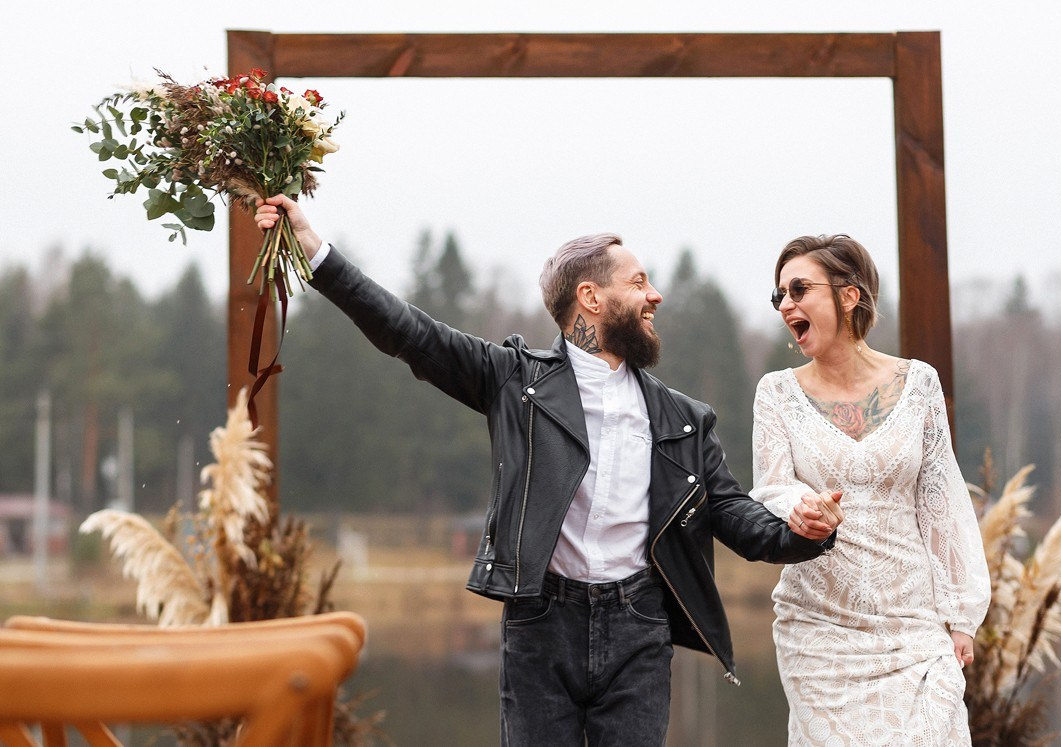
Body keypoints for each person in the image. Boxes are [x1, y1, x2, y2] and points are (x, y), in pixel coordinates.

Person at [255, 195, 843, 746]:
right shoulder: (513, 380)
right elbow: (407, 332)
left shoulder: (683, 418)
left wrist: (801, 532)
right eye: (638, 282)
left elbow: (733, 513)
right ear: (591, 298)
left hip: (640, 626)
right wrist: (314, 251)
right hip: (540, 623)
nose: (655, 296)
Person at [751, 234, 991, 745]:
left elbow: (941, 501)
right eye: (779, 295)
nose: (786, 304)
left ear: (849, 296)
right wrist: (802, 506)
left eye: (799, 289)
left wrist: (961, 615)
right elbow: (771, 487)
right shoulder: (776, 393)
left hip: (913, 629)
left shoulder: (919, 384)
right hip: (820, 634)